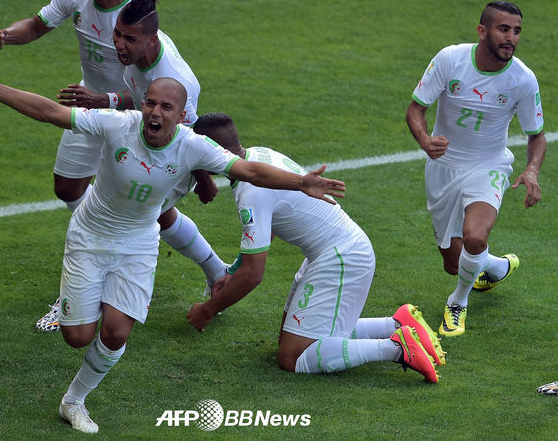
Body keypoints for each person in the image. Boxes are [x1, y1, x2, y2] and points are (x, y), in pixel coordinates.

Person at [0, 62, 348, 433]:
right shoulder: (116, 125)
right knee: (77, 336)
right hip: (89, 237)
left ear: (182, 114)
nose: (155, 112)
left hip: (137, 244)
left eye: (166, 107)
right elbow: (52, 112)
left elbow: (247, 169)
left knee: (116, 332)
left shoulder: (193, 146)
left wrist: (300, 182)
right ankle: (93, 299)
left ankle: (73, 402)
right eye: (150, 103)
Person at [0, 0, 228, 331]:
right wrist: (105, 101)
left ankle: (86, 291)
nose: (117, 43)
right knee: (76, 190)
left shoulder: (173, 79)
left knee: (126, 213)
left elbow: (186, 135)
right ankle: (218, 272)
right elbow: (135, 95)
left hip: (154, 142)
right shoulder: (131, 46)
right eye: (116, 35)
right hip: (110, 117)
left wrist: (205, 179)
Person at [187, 113, 445, 383]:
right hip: (331, 251)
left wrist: (208, 310)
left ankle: (396, 348)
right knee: (292, 341)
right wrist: (233, 272)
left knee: (293, 357)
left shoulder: (251, 191)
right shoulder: (259, 155)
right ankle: (396, 324)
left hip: (342, 257)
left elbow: (253, 275)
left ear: (212, 151)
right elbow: (266, 231)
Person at [405, 1, 546, 337]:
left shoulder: (523, 80)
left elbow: (536, 135)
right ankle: (496, 266)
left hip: (489, 165)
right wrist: (425, 140)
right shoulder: (450, 60)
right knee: (454, 263)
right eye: (503, 29)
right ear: (482, 31)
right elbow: (415, 109)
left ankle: (458, 302)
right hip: (443, 167)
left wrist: (532, 169)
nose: (511, 38)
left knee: (475, 236)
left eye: (517, 31)